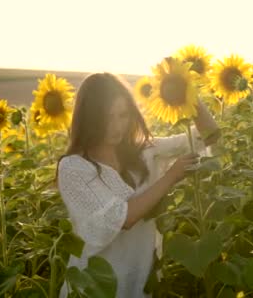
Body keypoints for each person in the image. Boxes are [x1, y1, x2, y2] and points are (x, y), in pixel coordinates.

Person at [56, 72, 220, 297]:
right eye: (106, 117)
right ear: (88, 118)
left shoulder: (144, 152)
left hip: (138, 282)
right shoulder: (74, 168)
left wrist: (187, 92)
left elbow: (208, 136)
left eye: (122, 115)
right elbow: (120, 219)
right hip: (91, 287)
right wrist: (170, 176)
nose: (115, 127)